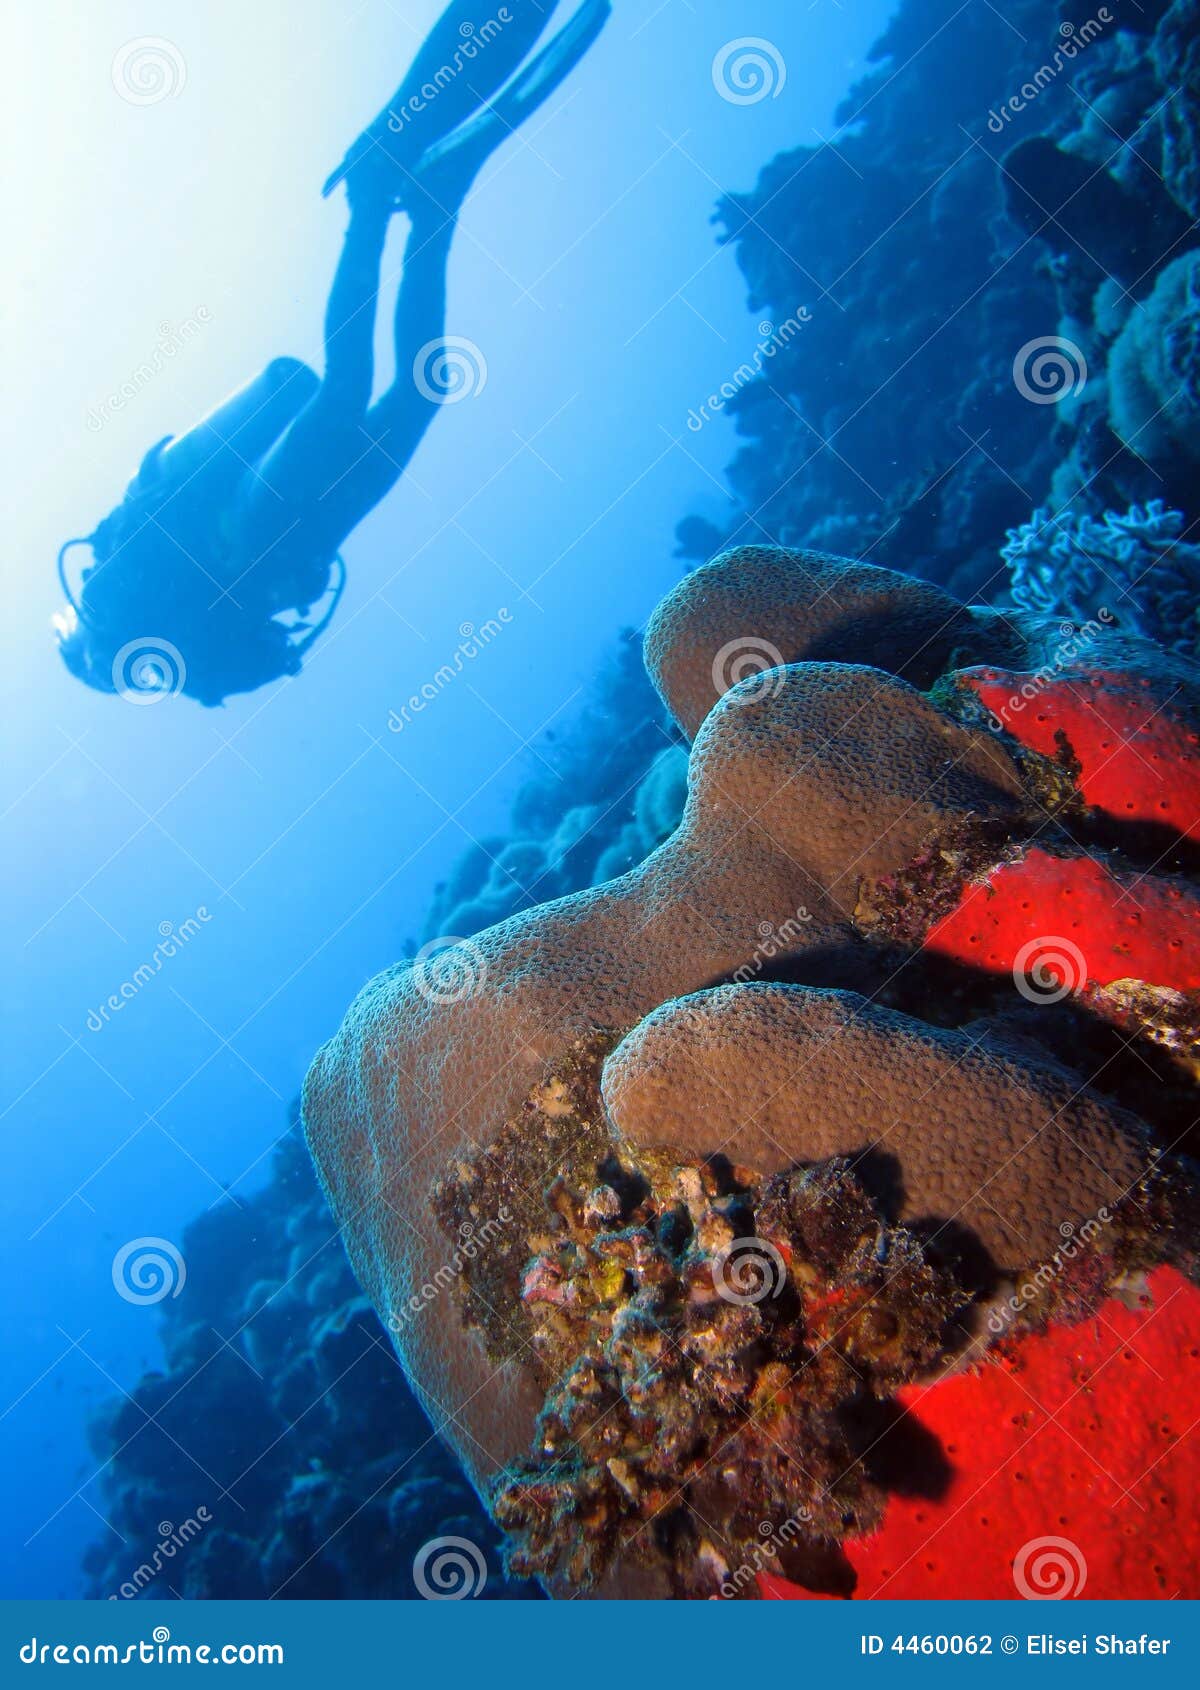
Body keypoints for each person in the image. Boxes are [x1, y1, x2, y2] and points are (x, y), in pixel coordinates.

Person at [54, 0, 609, 706]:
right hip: (300, 536)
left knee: (363, 390)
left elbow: (260, 654)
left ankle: (373, 199)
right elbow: (266, 653)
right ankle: (432, 202)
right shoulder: (157, 632)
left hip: (260, 528)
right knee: (418, 391)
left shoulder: (136, 625)